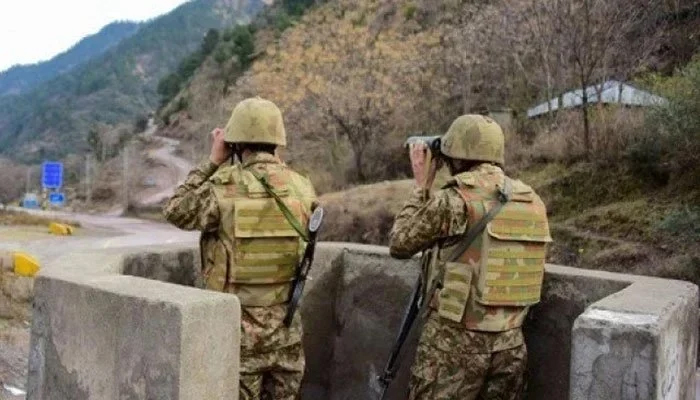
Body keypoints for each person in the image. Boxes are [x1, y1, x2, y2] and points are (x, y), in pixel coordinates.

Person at [163, 97, 317, 400]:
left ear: (235, 142)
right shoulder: (303, 187)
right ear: (278, 141)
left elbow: (175, 209)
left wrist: (212, 161)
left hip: (236, 338)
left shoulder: (222, 188)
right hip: (287, 335)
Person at [389, 114, 551, 400]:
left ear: (455, 155)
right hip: (511, 347)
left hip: (452, 347)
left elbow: (400, 244)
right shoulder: (530, 201)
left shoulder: (455, 200)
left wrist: (421, 186)